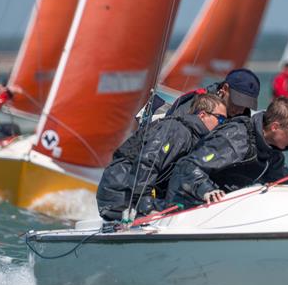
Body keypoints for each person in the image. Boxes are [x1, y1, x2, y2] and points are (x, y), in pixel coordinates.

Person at [96, 93, 228, 221]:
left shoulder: (193, 138)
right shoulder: (178, 130)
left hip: (133, 194)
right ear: (202, 115)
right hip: (120, 193)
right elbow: (147, 162)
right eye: (220, 119)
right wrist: (146, 204)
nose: (222, 125)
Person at [167, 96, 288, 209]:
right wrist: (207, 190)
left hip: (226, 209)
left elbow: (286, 184)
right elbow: (189, 166)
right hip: (189, 207)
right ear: (274, 127)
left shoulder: (272, 153)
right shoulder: (236, 137)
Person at [166, 68, 260, 119]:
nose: (239, 110)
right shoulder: (195, 103)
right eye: (237, 102)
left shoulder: (243, 117)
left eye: (245, 105)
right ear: (225, 88)